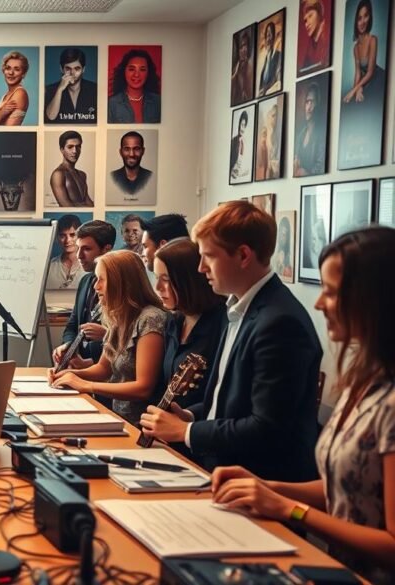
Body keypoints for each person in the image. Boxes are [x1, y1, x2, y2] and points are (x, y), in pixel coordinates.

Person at [212, 227, 395, 582]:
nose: (319, 302)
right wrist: (268, 487)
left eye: (332, 292)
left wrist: (289, 509)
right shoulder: (364, 380)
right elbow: (348, 489)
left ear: (376, 300)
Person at [140, 201, 322, 481]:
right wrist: (190, 416)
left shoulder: (280, 322)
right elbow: (226, 402)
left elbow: (267, 427)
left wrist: (186, 432)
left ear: (243, 255)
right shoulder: (237, 309)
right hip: (221, 469)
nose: (201, 268)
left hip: (259, 481)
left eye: (208, 257)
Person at [50, 250, 168, 426]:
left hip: (141, 425)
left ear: (121, 283)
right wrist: (68, 374)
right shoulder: (118, 317)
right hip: (119, 418)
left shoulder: (151, 319)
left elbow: (143, 388)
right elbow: (103, 369)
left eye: (101, 279)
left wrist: (86, 385)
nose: (95, 287)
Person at [152, 239, 226, 409]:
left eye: (166, 279)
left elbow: (221, 397)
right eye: (157, 278)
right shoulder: (174, 320)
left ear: (189, 281)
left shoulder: (223, 324)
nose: (158, 287)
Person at [52, 220, 116, 370]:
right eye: (78, 248)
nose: (79, 255)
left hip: (108, 372)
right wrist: (69, 346)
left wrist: (107, 335)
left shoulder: (122, 286)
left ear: (106, 249)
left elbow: (129, 342)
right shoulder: (86, 281)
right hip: (82, 369)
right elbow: (72, 325)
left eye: (86, 249)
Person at [343, 0, 383, 106]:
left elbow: (370, 72)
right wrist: (357, 89)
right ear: (356, 21)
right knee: (355, 102)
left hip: (378, 78)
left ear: (370, 17)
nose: (362, 22)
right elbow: (358, 72)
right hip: (366, 81)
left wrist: (353, 91)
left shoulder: (373, 40)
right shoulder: (355, 48)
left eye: (366, 16)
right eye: (359, 18)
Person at [44, 47, 97, 124]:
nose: (72, 73)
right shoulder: (49, 90)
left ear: (83, 69)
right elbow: (51, 117)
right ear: (61, 69)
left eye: (77, 69)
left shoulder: (95, 89)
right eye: (68, 69)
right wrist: (59, 90)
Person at [107, 49, 160, 124]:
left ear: (148, 73)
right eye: (131, 69)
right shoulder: (111, 103)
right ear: (124, 71)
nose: (136, 74)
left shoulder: (158, 101)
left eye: (142, 69)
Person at [49, 131, 92, 207]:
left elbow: (89, 203)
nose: (75, 151)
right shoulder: (58, 174)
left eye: (78, 146)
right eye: (70, 147)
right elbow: (66, 207)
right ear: (62, 150)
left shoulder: (82, 175)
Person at [0, 50, 29, 126]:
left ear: (23, 74)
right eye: (8, 68)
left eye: (16, 69)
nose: (11, 72)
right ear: (3, 70)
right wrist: (1, 112)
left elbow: (8, 129)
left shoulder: (20, 93)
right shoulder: (5, 95)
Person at [294, 81, 326, 177]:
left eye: (312, 102)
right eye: (307, 102)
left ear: (317, 104)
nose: (309, 108)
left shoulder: (322, 133)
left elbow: (321, 167)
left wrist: (306, 173)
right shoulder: (301, 135)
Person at [109, 131, 152, 199]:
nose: (131, 154)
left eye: (136, 149)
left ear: (143, 151)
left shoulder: (150, 176)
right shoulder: (112, 176)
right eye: (127, 149)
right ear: (120, 152)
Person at [46, 214, 83, 290]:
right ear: (57, 238)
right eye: (62, 236)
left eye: (72, 235)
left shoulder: (92, 267)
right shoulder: (48, 267)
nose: (67, 240)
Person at [299, 0, 330, 74]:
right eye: (305, 20)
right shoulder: (310, 45)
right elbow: (304, 69)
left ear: (319, 13)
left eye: (310, 16)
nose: (307, 24)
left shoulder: (327, 37)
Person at [255, 103, 280, 181]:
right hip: (266, 169)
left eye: (276, 116)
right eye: (273, 116)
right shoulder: (266, 132)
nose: (275, 119)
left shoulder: (276, 134)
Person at [258, 21, 282, 96]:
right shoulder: (262, 59)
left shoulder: (278, 56)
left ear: (274, 37)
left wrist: (266, 90)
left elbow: (278, 81)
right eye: (267, 34)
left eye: (270, 34)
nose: (268, 37)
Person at [231, 28, 254, 105]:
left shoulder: (250, 67)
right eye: (241, 47)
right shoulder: (236, 69)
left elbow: (249, 95)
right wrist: (236, 73)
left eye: (246, 46)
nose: (244, 50)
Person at [272, 215, 295, 281]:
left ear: (287, 237)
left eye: (284, 234)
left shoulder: (288, 258)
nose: (281, 237)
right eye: (280, 233)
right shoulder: (273, 254)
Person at [229, 110, 249, 181]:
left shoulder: (245, 143)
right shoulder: (233, 141)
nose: (242, 128)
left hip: (240, 177)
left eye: (244, 126)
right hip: (233, 176)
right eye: (241, 125)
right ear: (239, 125)